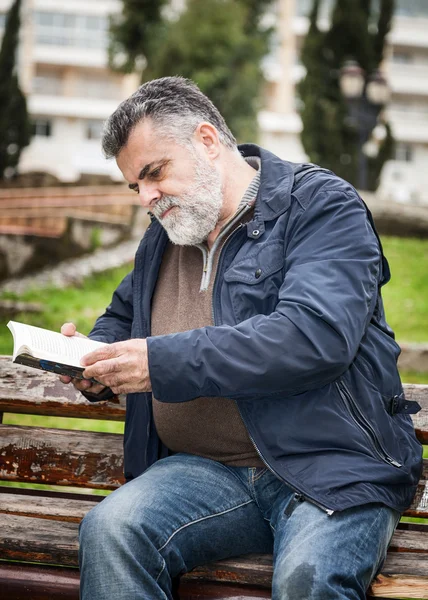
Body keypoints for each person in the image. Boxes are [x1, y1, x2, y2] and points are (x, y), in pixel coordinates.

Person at [60, 76, 422, 600]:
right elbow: (122, 318)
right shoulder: (168, 234)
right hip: (205, 473)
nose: (146, 197)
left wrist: (159, 362)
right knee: (111, 531)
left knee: (309, 579)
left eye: (153, 173)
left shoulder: (322, 207)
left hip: (327, 469)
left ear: (207, 140)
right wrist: (89, 361)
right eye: (135, 186)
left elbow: (312, 336)